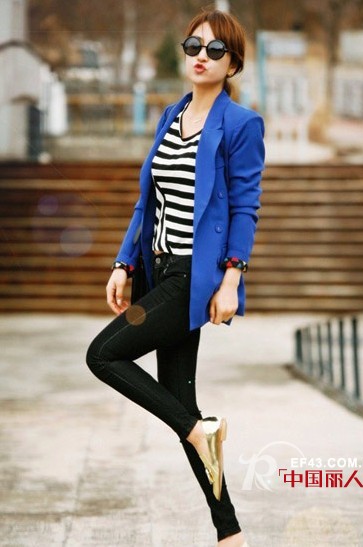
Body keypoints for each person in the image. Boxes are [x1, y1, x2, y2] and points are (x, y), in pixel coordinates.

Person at [86, 7, 264, 547]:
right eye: (194, 46)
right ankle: (229, 531)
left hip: (190, 279)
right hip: (156, 270)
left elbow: (245, 208)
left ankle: (195, 430)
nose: (201, 56)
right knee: (181, 398)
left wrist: (231, 280)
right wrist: (123, 263)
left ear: (233, 63)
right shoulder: (172, 114)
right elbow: (147, 203)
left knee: (103, 355)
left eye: (215, 50)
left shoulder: (241, 124)